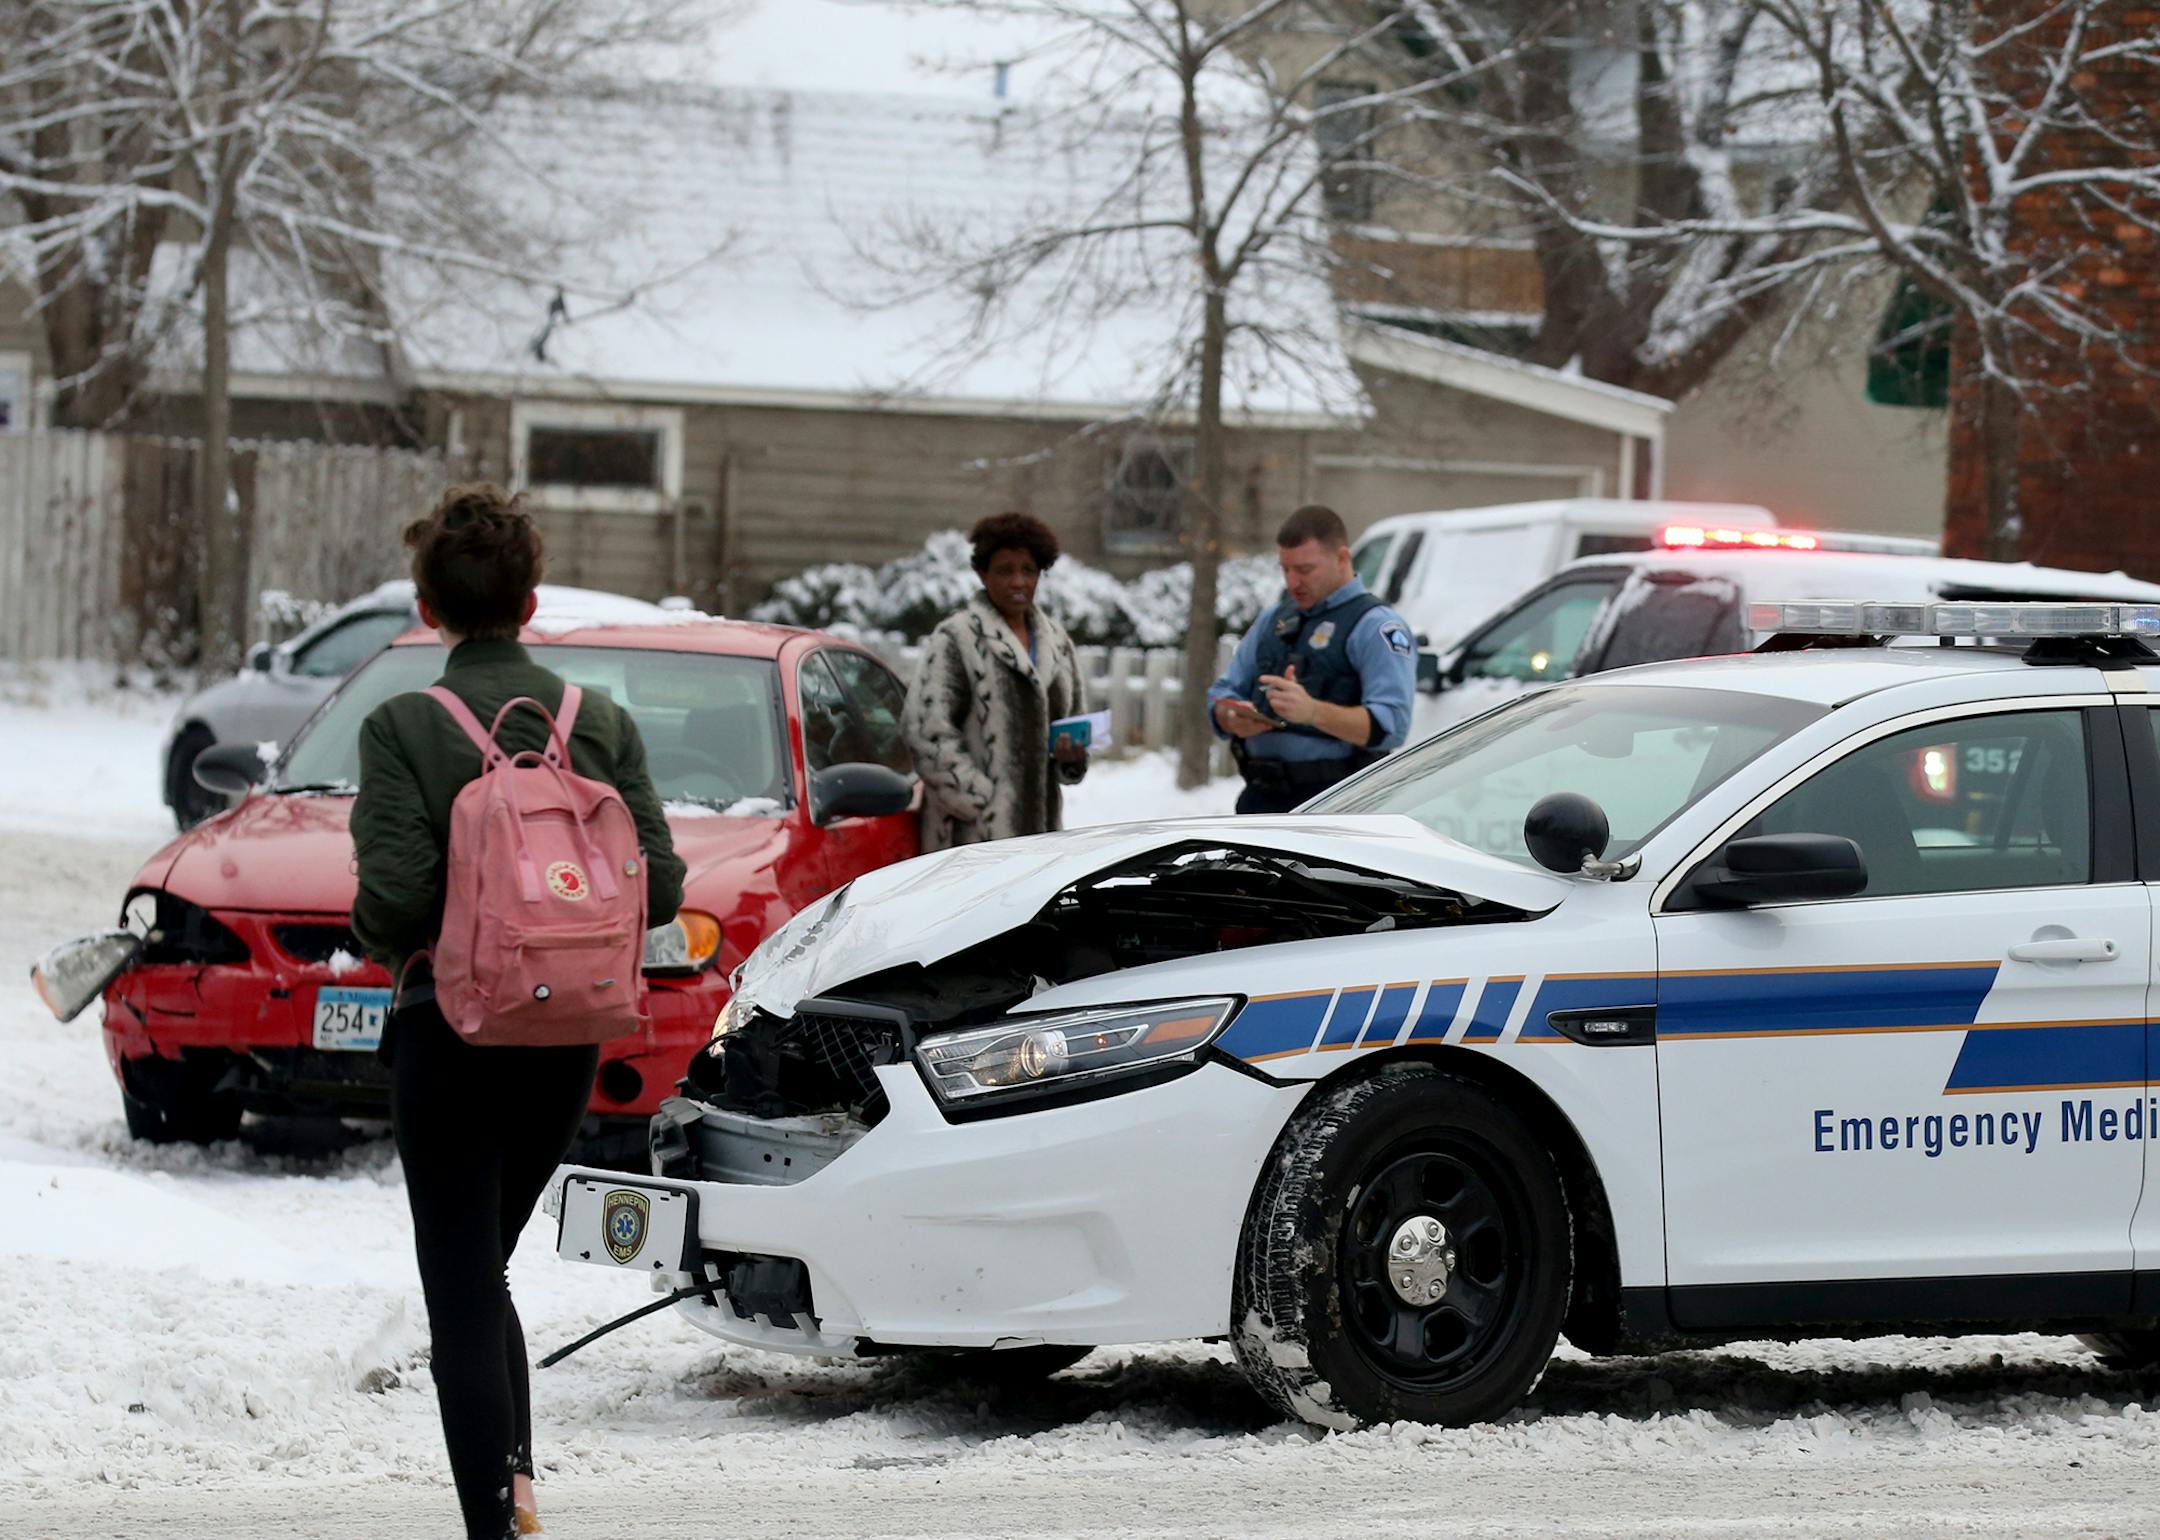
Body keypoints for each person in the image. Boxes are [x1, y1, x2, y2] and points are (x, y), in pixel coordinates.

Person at [349, 484, 685, 1540]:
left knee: (457, 1284)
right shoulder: (602, 723)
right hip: (568, 1038)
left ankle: (493, 1522)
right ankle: (518, 1482)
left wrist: (376, 916)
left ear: (427, 603)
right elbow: (663, 885)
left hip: (449, 1035)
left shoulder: (404, 725)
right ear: (532, 598)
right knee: (483, 1265)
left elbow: (396, 901)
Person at [1208, 504, 1417, 814]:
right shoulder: (1272, 620)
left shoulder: (1375, 626)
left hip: (1336, 809)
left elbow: (1393, 726)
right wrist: (1232, 717)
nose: (1292, 582)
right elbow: (1222, 694)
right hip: (1260, 801)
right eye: (1285, 569)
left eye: (1305, 570)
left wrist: (1313, 712)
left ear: (1342, 558)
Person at [902, 511, 1089, 849]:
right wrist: (983, 802)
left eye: (1028, 571)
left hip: (1040, 842)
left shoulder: (1058, 644)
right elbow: (927, 731)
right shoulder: (956, 639)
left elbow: (1073, 724)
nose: (1018, 582)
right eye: (1005, 571)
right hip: (969, 844)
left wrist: (1071, 757)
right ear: (982, 574)